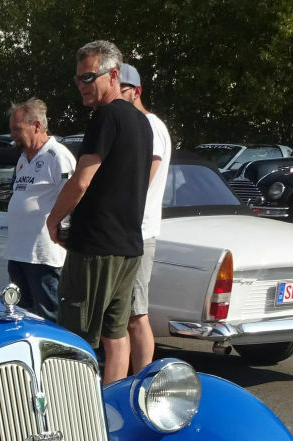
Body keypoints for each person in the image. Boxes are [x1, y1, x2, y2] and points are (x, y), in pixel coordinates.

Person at [44, 40, 152, 386]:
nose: (82, 86)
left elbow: (81, 180)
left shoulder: (106, 117)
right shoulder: (142, 122)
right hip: (128, 246)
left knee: (76, 339)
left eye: (89, 77)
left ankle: (75, 413)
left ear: (113, 75)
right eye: (78, 79)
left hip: (96, 249)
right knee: (115, 334)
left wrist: (53, 219)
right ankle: (111, 406)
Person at [3, 98, 75, 322]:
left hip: (43, 255)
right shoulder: (23, 158)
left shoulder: (57, 155)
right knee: (19, 313)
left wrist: (60, 228)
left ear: (36, 126)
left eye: (17, 129)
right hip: (18, 252)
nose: (13, 134)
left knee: (48, 315)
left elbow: (73, 195)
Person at [121, 63, 167, 374]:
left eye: (121, 91)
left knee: (137, 314)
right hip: (126, 230)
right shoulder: (134, 125)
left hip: (140, 232)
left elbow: (143, 178)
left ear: (136, 92)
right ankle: (125, 380)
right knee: (122, 314)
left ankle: (144, 381)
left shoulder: (150, 125)